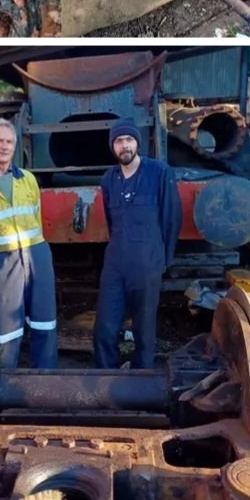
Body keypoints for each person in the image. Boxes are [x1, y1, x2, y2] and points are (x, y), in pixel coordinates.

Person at [0, 118, 57, 368]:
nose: (4, 147)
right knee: (6, 328)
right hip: (1, 260)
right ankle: (6, 383)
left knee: (43, 321)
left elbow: (36, 216)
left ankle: (46, 382)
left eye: (9, 142)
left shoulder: (27, 179)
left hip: (37, 255)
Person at [93, 119, 182, 370]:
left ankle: (142, 377)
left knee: (143, 327)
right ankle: (105, 377)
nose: (125, 146)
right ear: (113, 147)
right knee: (104, 327)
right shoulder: (108, 179)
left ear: (137, 143)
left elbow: (171, 218)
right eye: (119, 141)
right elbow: (112, 221)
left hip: (147, 262)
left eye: (129, 140)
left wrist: (163, 259)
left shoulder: (159, 172)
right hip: (115, 263)